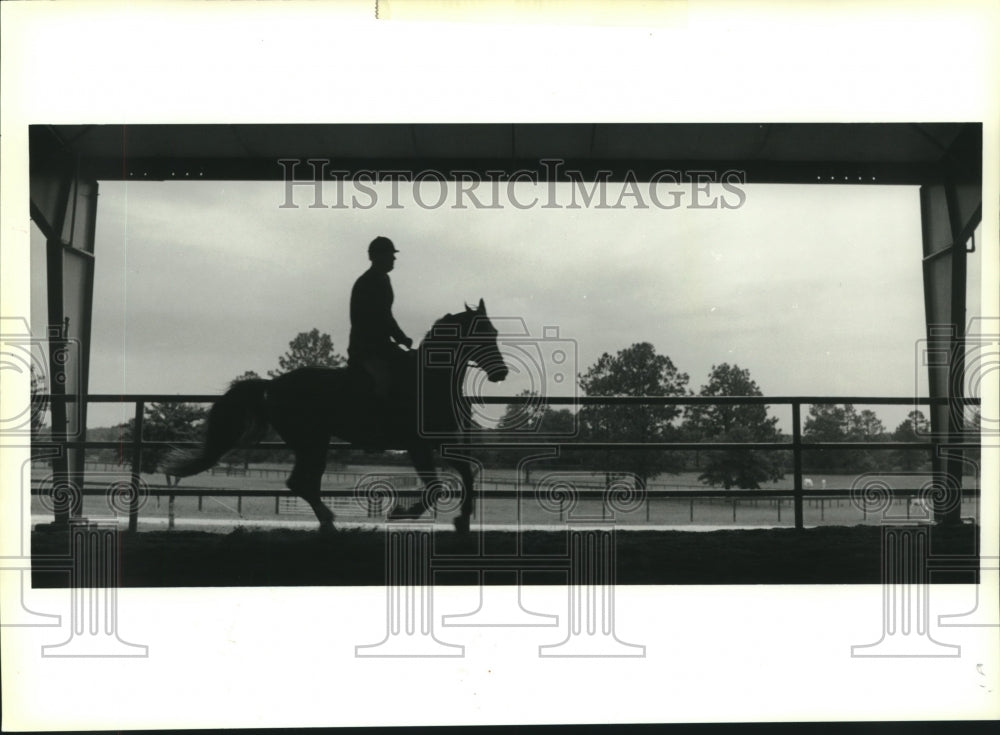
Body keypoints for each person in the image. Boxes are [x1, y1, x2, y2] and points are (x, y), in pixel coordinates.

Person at [348, 236, 413, 402]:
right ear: (377, 256)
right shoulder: (368, 282)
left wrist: (400, 338)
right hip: (367, 349)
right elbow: (380, 317)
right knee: (383, 381)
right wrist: (400, 338)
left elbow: (386, 315)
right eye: (389, 254)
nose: (394, 258)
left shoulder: (383, 279)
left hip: (381, 346)